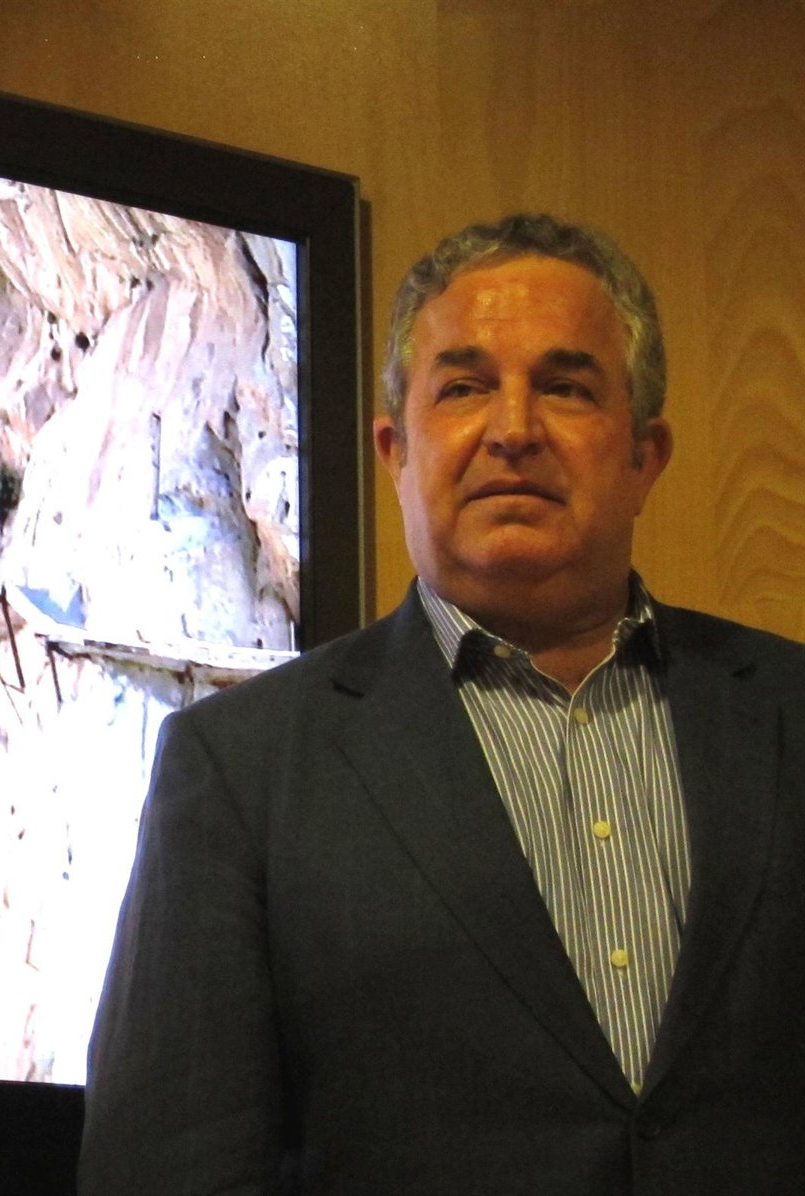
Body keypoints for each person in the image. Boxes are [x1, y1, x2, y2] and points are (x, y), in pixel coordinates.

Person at [77, 214, 805, 1194]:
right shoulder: (242, 769)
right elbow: (170, 1168)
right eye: (464, 387)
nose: (514, 429)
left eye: (566, 386)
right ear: (396, 451)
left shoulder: (790, 715)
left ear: (645, 455)